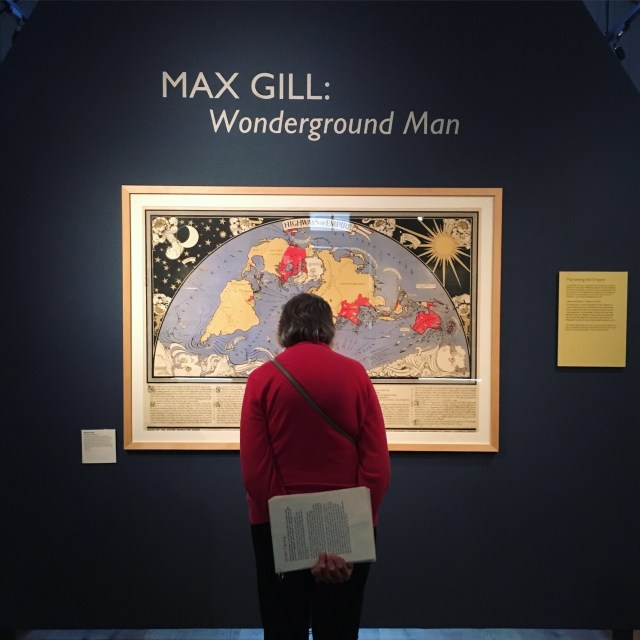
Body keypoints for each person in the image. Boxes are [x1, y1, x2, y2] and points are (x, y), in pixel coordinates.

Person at [240, 292, 391, 640]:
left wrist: (293, 531)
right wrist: (355, 528)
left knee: (283, 626)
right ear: (328, 329)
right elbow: (376, 466)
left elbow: (256, 472)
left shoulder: (263, 379)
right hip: (347, 525)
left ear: (284, 328)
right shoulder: (355, 375)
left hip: (278, 526)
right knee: (339, 626)